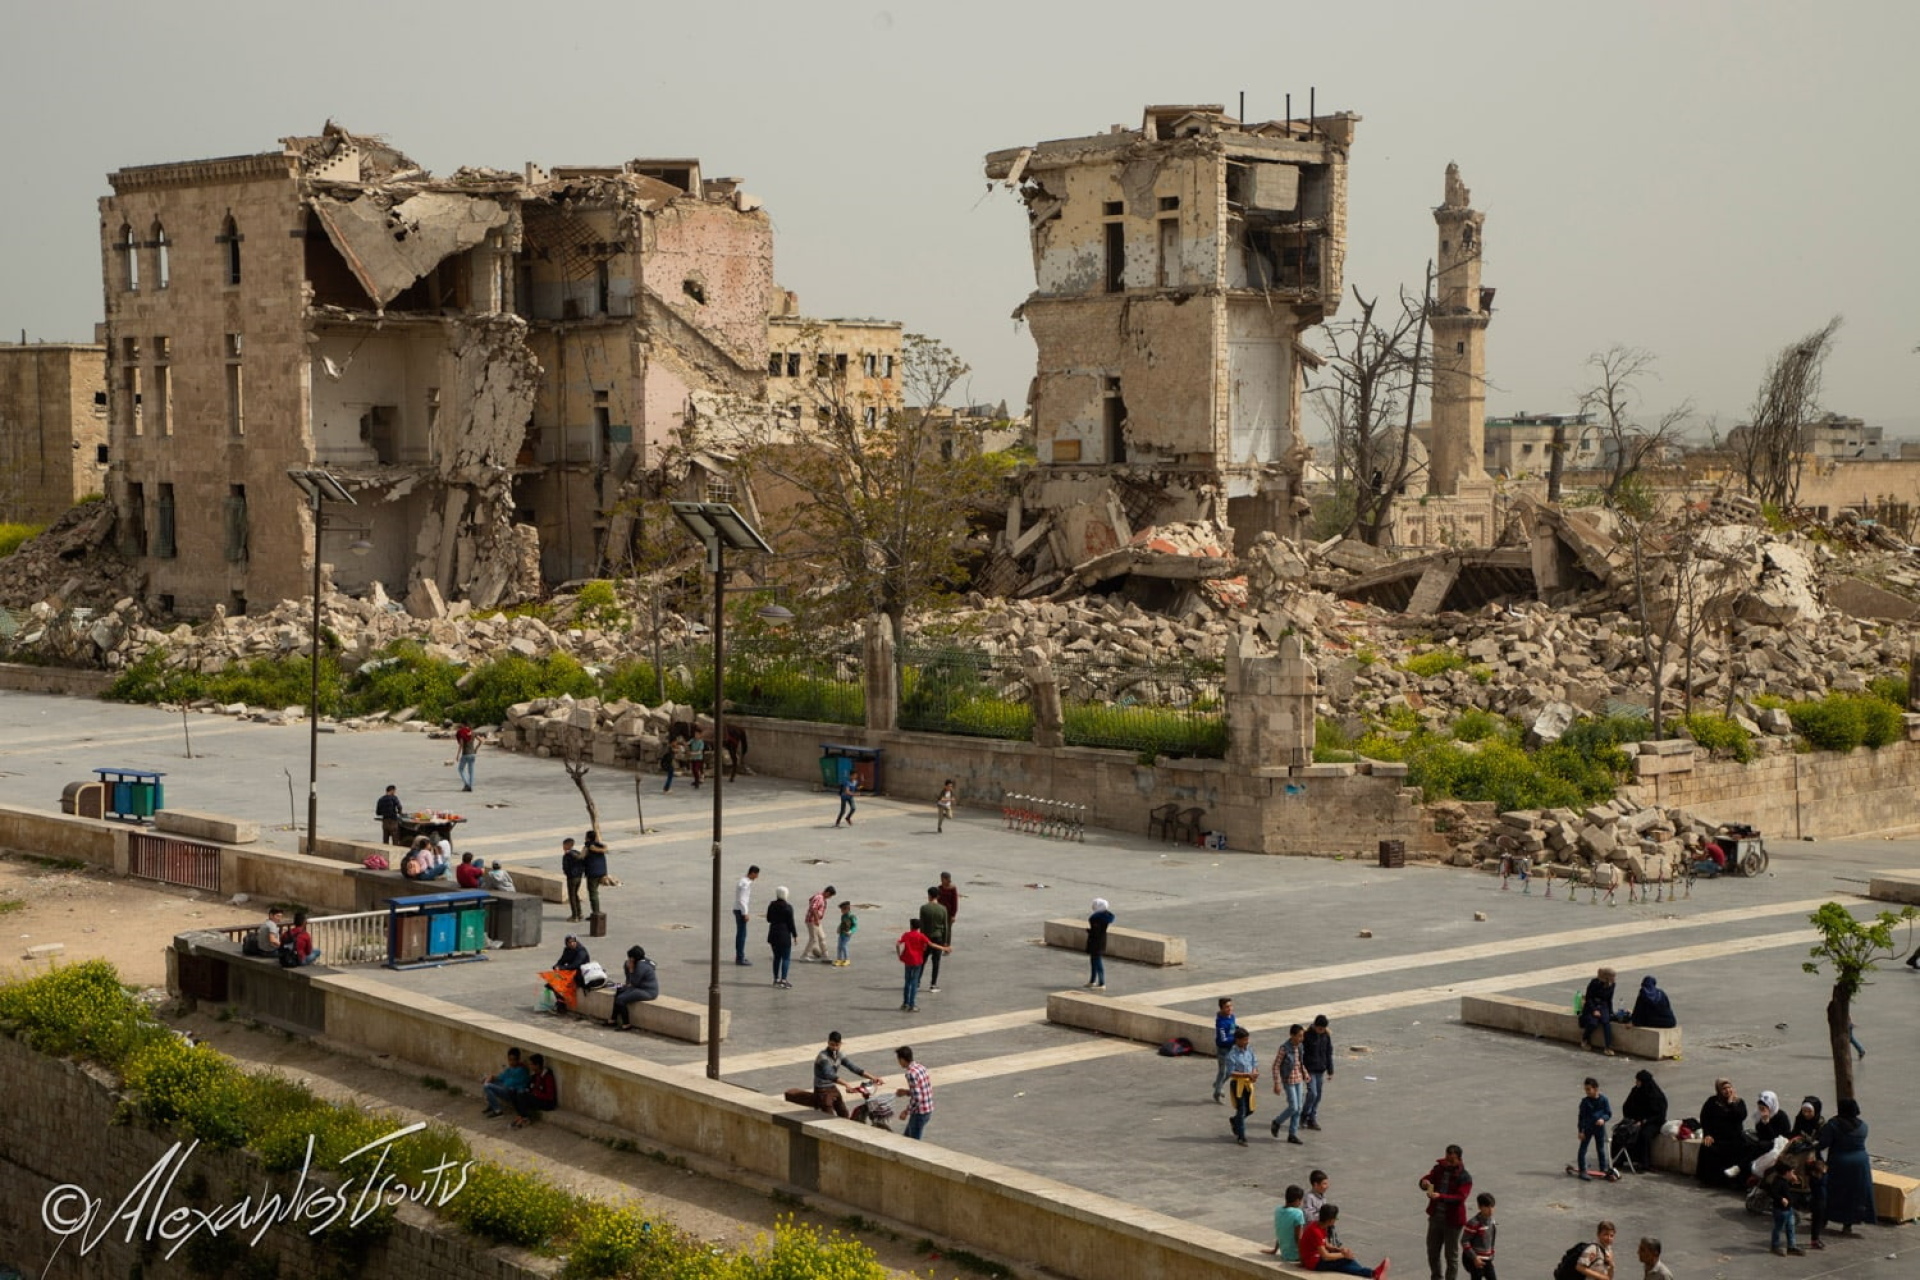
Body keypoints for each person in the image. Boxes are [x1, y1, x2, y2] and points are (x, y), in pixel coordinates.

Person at [1817, 1097, 1874, 1235]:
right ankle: (1848, 1225)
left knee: (1833, 1192)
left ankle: (1824, 1219)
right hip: (1860, 1164)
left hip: (1839, 1162)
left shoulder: (1833, 1124)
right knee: (1854, 1194)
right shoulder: (1863, 1126)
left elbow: (1823, 1143)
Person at [1418, 1144, 1472, 1280]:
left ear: (1459, 1159)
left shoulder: (1464, 1177)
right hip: (1436, 1217)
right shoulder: (1439, 1168)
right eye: (1447, 1158)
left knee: (1451, 1256)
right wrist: (1424, 1182)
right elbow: (1429, 1177)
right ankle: (1436, 1277)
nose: (1448, 1162)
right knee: (1432, 1252)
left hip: (1452, 1222)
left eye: (1452, 1160)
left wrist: (1440, 1197)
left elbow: (1460, 1197)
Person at [1299, 1204, 1388, 1278]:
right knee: (1344, 1261)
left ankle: (1370, 1273)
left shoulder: (1322, 1226)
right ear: (1330, 1220)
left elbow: (1326, 1244)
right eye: (1335, 1218)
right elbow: (1325, 1256)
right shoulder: (1315, 1231)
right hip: (1314, 1262)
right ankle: (1372, 1273)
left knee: (1344, 1264)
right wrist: (1343, 1255)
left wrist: (1339, 1250)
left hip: (1317, 1258)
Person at [810, 1030, 881, 1118]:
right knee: (828, 1117)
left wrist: (873, 1077)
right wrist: (846, 1084)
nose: (835, 1048)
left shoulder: (840, 1055)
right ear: (828, 1043)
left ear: (841, 1044)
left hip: (832, 1087)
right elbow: (829, 1074)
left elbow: (853, 1068)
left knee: (844, 1113)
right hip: (822, 1089)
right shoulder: (823, 1057)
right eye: (832, 1045)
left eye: (837, 1045)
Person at [1696, 1077, 1748, 1187]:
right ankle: (1711, 1181)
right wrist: (1708, 1134)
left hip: (1734, 1138)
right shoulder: (1712, 1102)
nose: (1727, 1090)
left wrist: (1730, 1103)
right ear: (1719, 1090)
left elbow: (1740, 1117)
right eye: (1724, 1088)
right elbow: (1705, 1119)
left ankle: (1731, 1182)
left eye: (1729, 1087)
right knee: (1708, 1147)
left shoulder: (1739, 1102)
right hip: (1717, 1137)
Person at [1760, 1141, 1806, 1256]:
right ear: (1786, 1172)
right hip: (1780, 1210)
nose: (1793, 1173)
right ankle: (1775, 1246)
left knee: (1790, 1227)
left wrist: (1793, 1182)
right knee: (1778, 1228)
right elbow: (1773, 1193)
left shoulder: (1785, 1180)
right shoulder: (1778, 1182)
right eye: (1791, 1171)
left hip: (1788, 1209)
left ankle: (1792, 1246)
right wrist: (1781, 1199)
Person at [1618, 1069, 1668, 1172]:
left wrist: (1644, 1121)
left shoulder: (1656, 1096)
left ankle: (1645, 1163)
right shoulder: (1635, 1091)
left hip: (1653, 1122)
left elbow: (1659, 1114)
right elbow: (1627, 1106)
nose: (1636, 1083)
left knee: (1644, 1135)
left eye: (1638, 1081)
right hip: (1636, 1120)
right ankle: (1619, 1159)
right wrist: (1630, 1119)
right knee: (1621, 1131)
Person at [1269, 1022, 1308, 1144]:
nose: (1301, 1039)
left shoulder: (1300, 1047)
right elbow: (1276, 1066)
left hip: (1299, 1079)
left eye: (1302, 1036)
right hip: (1289, 1080)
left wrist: (1305, 1074)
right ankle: (1277, 1122)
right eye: (1299, 1036)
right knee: (1293, 1107)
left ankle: (1292, 1134)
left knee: (1299, 1108)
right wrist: (1277, 1083)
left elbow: (1300, 1063)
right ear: (1292, 1035)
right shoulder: (1284, 1048)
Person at [896, 918, 946, 1012]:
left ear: (911, 926)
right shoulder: (921, 936)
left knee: (907, 982)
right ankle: (912, 1004)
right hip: (917, 961)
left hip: (908, 961)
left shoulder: (906, 935)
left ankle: (905, 1003)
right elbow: (931, 944)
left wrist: (899, 955)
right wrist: (944, 948)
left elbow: (898, 944)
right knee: (914, 983)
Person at [1571, 1077, 1615, 1181]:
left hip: (1599, 1128)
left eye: (1588, 1089)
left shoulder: (1604, 1100)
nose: (1587, 1092)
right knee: (1583, 1149)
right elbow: (1581, 1117)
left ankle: (1603, 1169)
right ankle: (1582, 1170)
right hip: (1587, 1128)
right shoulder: (1585, 1102)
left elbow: (1608, 1113)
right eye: (1585, 1089)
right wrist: (1580, 1131)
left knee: (1600, 1149)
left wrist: (1603, 1119)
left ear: (1595, 1089)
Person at [1223, 1026, 1258, 1146]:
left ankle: (1235, 1120)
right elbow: (1231, 1072)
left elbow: (1254, 1062)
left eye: (1247, 1039)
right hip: (1238, 1084)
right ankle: (1241, 1136)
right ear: (1237, 1040)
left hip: (1248, 1083)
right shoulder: (1232, 1055)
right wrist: (1246, 1074)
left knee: (1251, 1109)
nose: (1246, 1042)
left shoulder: (1249, 1050)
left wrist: (1254, 1072)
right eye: (1244, 1040)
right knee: (1242, 1109)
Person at [611, 945, 659, 1029]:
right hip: (639, 987)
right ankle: (612, 1019)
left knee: (621, 999)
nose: (628, 960)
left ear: (633, 958)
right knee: (619, 990)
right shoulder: (641, 962)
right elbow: (628, 982)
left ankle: (626, 1024)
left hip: (648, 991)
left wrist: (631, 970)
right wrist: (627, 969)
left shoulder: (641, 966)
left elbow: (634, 983)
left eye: (630, 958)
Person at [1302, 1013, 1335, 1130]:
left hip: (1320, 1069)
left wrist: (1330, 1070)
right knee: (1313, 1093)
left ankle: (1312, 1118)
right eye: (1320, 1028)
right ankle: (1304, 1115)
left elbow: (1328, 1053)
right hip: (1309, 1069)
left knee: (1318, 1096)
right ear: (1315, 1026)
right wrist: (1302, 1069)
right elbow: (1302, 1053)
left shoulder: (1326, 1036)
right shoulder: (1306, 1036)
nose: (1321, 1031)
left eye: (1323, 1029)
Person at [894, 1045, 934, 1140]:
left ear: (903, 1060)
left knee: (913, 1143)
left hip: (919, 1112)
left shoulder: (910, 1074)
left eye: (899, 1060)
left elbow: (917, 1098)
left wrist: (906, 1111)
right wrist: (906, 1092)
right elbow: (922, 1090)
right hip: (928, 1109)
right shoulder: (921, 1067)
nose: (899, 1063)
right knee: (906, 1138)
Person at [1263, 1184, 1309, 1263]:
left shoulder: (1278, 1210)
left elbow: (1281, 1231)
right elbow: (1298, 1238)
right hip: (1295, 1255)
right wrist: (1302, 1257)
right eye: (1300, 1200)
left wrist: (1274, 1250)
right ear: (1297, 1200)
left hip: (1285, 1253)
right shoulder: (1298, 1213)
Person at [510, 1053, 558, 1128]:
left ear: (537, 1065)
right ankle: (521, 1115)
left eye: (532, 1064)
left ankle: (525, 1118)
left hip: (547, 1103)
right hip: (536, 1098)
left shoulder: (547, 1076)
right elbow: (529, 1087)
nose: (530, 1066)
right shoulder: (535, 1076)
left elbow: (550, 1096)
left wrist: (535, 1094)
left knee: (523, 1095)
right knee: (515, 1092)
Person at [482, 1046, 530, 1117]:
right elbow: (501, 1077)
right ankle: (492, 1105)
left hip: (512, 1093)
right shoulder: (510, 1069)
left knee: (487, 1086)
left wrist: (490, 1082)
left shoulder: (521, 1071)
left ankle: (498, 1111)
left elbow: (508, 1084)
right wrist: (491, 1077)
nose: (511, 1062)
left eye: (514, 1060)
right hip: (505, 1088)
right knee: (488, 1081)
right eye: (510, 1060)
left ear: (518, 1059)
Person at [919, 887, 951, 992]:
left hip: (926, 937)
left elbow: (922, 926)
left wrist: (921, 940)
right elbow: (946, 926)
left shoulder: (923, 908)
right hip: (938, 938)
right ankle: (933, 984)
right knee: (936, 962)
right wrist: (946, 942)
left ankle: (917, 981)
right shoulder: (943, 909)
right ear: (938, 896)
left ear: (929, 895)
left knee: (922, 960)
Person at [1580, 967, 1618, 1055]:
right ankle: (1585, 1039)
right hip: (1592, 1004)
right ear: (1607, 977)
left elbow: (1609, 999)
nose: (1614, 979)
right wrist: (1594, 1010)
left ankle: (1608, 1047)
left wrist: (1610, 1012)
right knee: (1593, 1023)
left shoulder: (1612, 985)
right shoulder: (1594, 983)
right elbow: (1588, 998)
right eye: (1613, 977)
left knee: (1606, 1022)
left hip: (1603, 1005)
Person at [767, 887, 797, 988]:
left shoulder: (771, 905)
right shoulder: (788, 907)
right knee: (786, 958)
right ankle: (784, 980)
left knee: (777, 957)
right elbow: (791, 923)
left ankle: (776, 979)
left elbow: (768, 919)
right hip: (784, 935)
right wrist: (795, 935)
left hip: (773, 934)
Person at [1460, 1193, 1495, 1280]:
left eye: (1492, 1207)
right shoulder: (1474, 1223)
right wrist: (1474, 1257)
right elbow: (1464, 1241)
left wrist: (1491, 1252)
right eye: (1487, 1207)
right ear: (1480, 1207)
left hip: (1487, 1259)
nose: (1490, 1210)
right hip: (1476, 1260)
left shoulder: (1491, 1222)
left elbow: (1491, 1239)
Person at [1211, 997, 1239, 1104]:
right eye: (1227, 1007)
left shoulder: (1232, 1017)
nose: (1230, 1008)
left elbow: (1233, 1027)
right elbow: (1223, 1040)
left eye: (1231, 1006)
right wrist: (1235, 1039)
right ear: (1222, 1008)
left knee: (1230, 1071)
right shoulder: (1221, 1023)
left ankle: (1218, 1084)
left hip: (1231, 1048)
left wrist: (1238, 1030)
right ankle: (1217, 1092)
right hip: (1223, 1050)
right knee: (1222, 1071)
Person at [802, 885, 837, 963]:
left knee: (822, 937)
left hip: (817, 920)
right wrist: (816, 919)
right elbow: (813, 908)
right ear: (827, 892)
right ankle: (804, 956)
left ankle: (825, 956)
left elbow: (810, 901)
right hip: (812, 921)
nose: (830, 897)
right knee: (813, 939)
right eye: (830, 895)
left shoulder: (822, 898)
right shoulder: (819, 897)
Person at [1085, 898, 1114, 990]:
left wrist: (1090, 931)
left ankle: (1102, 983)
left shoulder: (1096, 918)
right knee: (1094, 961)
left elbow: (1096, 931)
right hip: (1100, 941)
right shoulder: (1104, 917)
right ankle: (1092, 980)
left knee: (1097, 962)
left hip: (1096, 942)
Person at [733, 865, 760, 966]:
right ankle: (740, 957)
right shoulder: (745, 884)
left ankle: (739, 955)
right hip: (740, 911)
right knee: (742, 935)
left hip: (737, 909)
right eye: (756, 874)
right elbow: (742, 899)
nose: (757, 877)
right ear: (752, 873)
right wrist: (745, 913)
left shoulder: (743, 881)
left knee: (741, 934)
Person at [582, 834, 610, 918]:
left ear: (588, 838)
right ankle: (596, 911)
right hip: (601, 872)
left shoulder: (587, 847)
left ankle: (596, 913)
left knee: (593, 893)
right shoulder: (601, 847)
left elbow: (581, 857)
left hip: (592, 873)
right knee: (595, 892)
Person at [561, 837, 586, 923]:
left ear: (567, 845)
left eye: (563, 845)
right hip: (579, 877)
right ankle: (579, 913)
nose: (563, 847)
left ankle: (574, 916)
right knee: (576, 895)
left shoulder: (567, 855)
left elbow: (565, 868)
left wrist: (567, 873)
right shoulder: (577, 853)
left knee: (572, 896)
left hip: (572, 878)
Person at [454, 723, 478, 791]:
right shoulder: (473, 733)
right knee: (471, 771)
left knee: (460, 769)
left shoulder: (462, 734)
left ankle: (467, 784)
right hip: (473, 754)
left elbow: (461, 745)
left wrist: (458, 755)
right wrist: (476, 749)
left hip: (465, 754)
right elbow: (481, 741)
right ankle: (470, 786)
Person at [834, 899, 858, 966]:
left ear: (847, 909)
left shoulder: (851, 916)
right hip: (842, 933)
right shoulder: (843, 916)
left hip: (847, 934)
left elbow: (855, 926)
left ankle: (846, 959)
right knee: (839, 946)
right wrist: (838, 928)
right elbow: (842, 923)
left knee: (844, 946)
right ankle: (839, 959)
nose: (841, 911)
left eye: (842, 910)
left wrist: (851, 931)